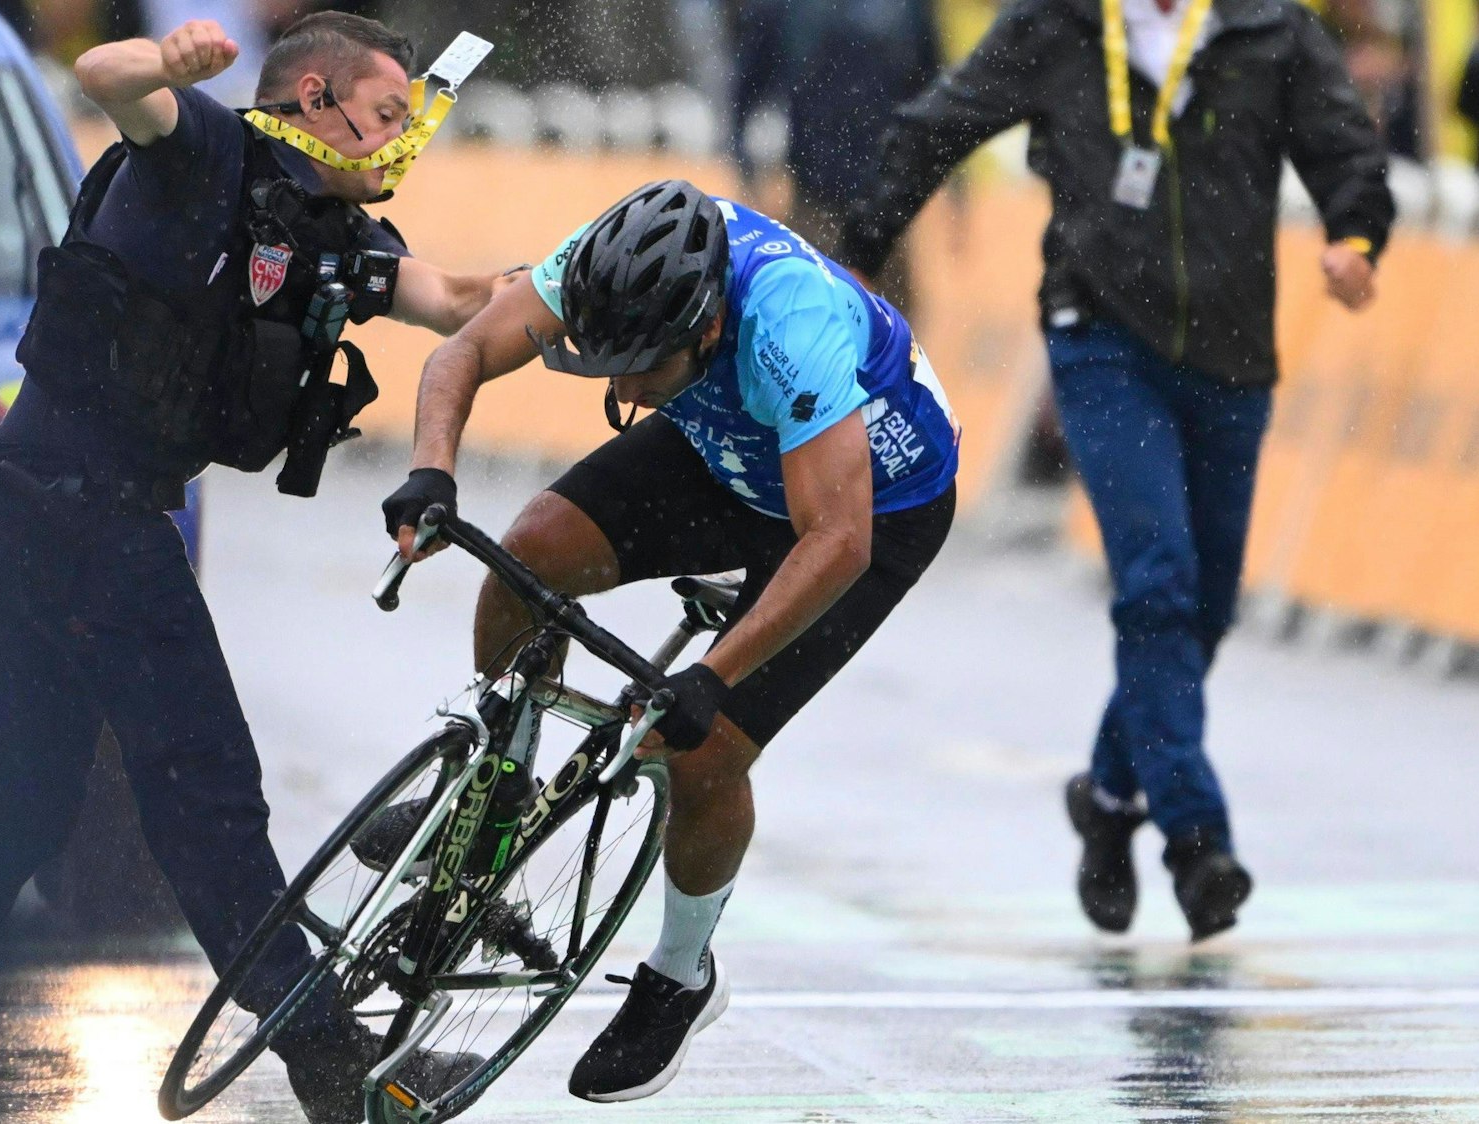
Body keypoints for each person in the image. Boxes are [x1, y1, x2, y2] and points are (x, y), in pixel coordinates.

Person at [0, 13, 513, 1122]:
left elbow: (459, 300)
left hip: (63, 518)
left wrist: (590, 282)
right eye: (390, 113)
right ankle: (336, 1063)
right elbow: (104, 72)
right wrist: (167, 66)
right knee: (205, 789)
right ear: (314, 98)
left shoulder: (336, 232)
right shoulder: (206, 149)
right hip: (70, 511)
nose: (404, 137)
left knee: (17, 803)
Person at [380, 180, 960, 1103]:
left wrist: (710, 675)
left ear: (707, 331)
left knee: (705, 752)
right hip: (728, 448)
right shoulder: (614, 262)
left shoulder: (790, 326)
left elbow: (837, 541)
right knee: (530, 557)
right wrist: (429, 472)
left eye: (640, 370)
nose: (620, 392)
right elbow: (462, 350)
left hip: (866, 507)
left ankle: (681, 977)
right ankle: (498, 788)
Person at [838, 0, 1392, 942]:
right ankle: (1195, 839)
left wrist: (1355, 236)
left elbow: (1347, 153)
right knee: (1159, 583)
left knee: (1203, 607)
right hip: (1100, 343)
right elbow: (934, 128)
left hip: (1234, 359)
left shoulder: (1270, 31)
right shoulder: (1056, 26)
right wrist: (850, 260)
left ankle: (1107, 795)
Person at [729, 0, 943, 311]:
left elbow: (935, 95)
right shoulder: (784, 9)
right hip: (818, 208)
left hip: (883, 215)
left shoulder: (907, 9)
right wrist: (750, 178)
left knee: (890, 336)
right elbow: (745, 93)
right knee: (808, 327)